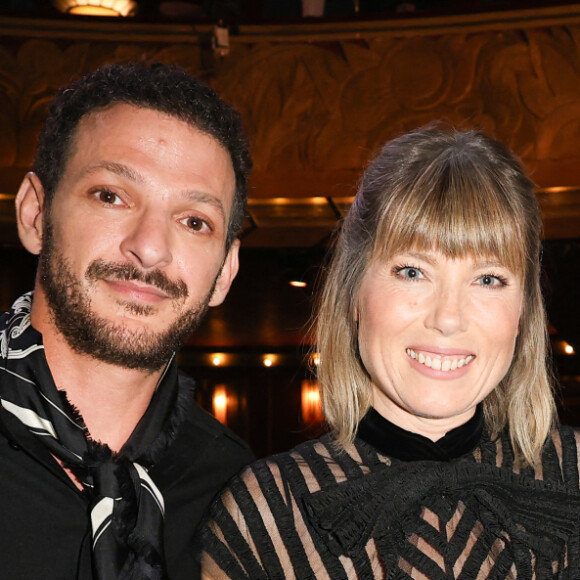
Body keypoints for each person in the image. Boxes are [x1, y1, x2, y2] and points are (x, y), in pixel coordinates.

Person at [198, 126, 580, 579]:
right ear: (354, 292)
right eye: (413, 271)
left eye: (488, 279)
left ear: (523, 312)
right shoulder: (261, 512)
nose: (449, 317)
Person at [0, 62, 255, 580]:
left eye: (193, 221)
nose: (150, 247)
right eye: (111, 195)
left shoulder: (242, 495)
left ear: (225, 272)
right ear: (35, 214)